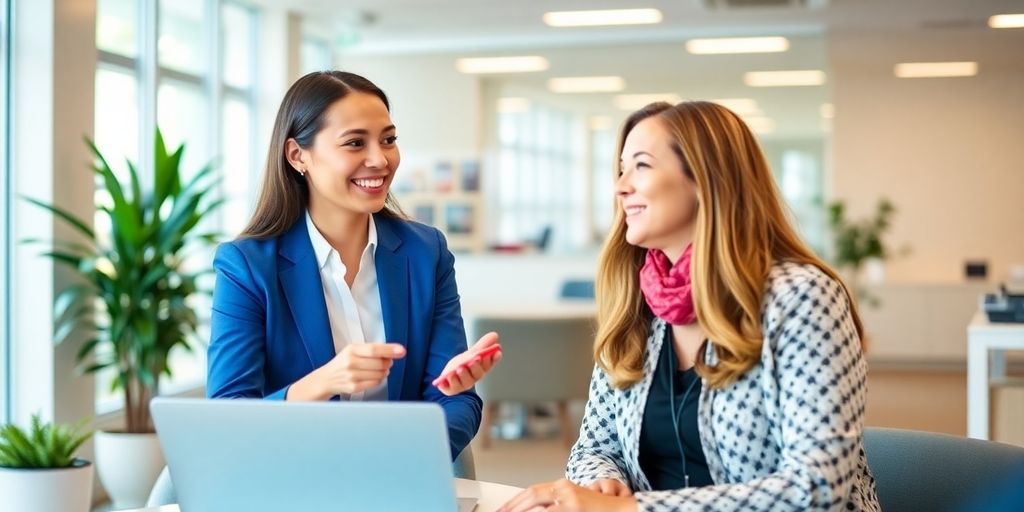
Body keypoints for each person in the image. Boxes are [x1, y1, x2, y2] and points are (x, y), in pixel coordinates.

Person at [499, 101, 880, 511]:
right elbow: (594, 446)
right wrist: (602, 480)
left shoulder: (801, 298)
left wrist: (630, 509)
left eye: (641, 166)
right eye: (621, 169)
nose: (621, 186)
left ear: (705, 180)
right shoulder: (639, 302)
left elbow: (817, 490)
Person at [207, 71, 500, 460]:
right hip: (288, 479)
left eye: (389, 140)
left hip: (401, 481)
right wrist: (320, 383)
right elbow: (227, 416)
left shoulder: (426, 252)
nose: (380, 160)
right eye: (355, 143)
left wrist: (410, 450)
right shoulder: (246, 266)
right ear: (298, 156)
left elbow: (458, 402)